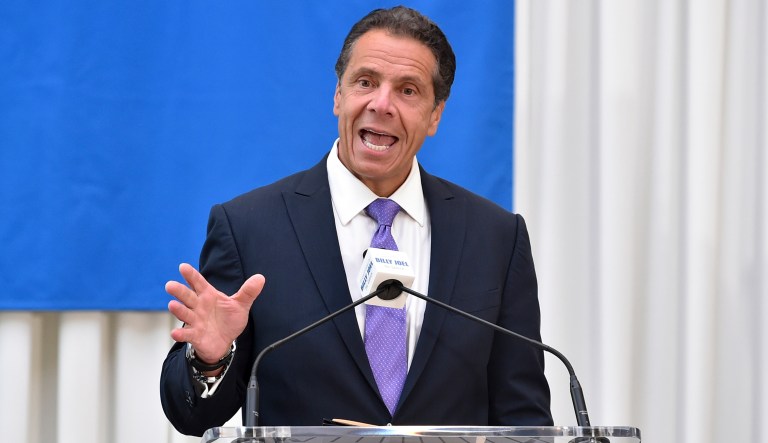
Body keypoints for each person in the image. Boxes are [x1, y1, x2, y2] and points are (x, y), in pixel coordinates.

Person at [160, 6, 552, 436]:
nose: (381, 104)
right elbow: (192, 417)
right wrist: (211, 360)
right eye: (366, 82)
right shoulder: (249, 228)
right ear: (338, 96)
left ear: (435, 114)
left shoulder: (495, 237)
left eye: (407, 90)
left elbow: (524, 419)